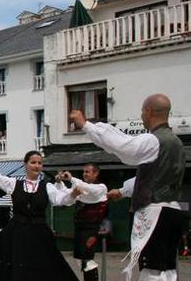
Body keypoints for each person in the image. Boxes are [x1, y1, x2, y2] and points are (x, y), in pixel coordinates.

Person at [71, 93, 186, 281]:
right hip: (171, 211)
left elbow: (125, 148)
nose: (141, 116)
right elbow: (154, 176)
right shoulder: (177, 143)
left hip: (154, 211)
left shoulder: (154, 140)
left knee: (152, 271)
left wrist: (87, 126)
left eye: (142, 111)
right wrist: (123, 191)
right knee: (166, 269)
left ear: (148, 111)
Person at [0, 149, 78, 280]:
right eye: (33, 162)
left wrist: (72, 194)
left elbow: (61, 199)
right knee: (9, 263)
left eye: (39, 163)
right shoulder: (14, 183)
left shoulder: (48, 187)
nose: (37, 165)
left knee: (44, 264)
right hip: (16, 231)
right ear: (25, 164)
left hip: (39, 232)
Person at [55, 164, 108, 281]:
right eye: (83, 172)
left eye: (87, 172)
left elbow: (89, 191)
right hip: (79, 228)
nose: (84, 174)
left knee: (87, 261)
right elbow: (66, 195)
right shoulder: (83, 189)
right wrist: (59, 182)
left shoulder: (101, 188)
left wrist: (71, 179)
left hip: (91, 229)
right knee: (79, 259)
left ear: (96, 173)